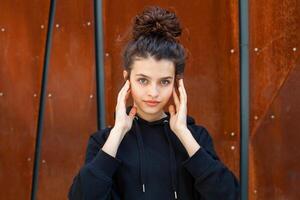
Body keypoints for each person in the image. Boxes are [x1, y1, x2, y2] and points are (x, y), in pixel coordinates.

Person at [68, 6, 240, 200]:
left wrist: (183, 133)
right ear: (128, 79)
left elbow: (229, 195)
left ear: (176, 83)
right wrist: (118, 132)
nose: (153, 92)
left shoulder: (195, 137)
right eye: (143, 80)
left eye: (164, 82)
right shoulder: (104, 141)